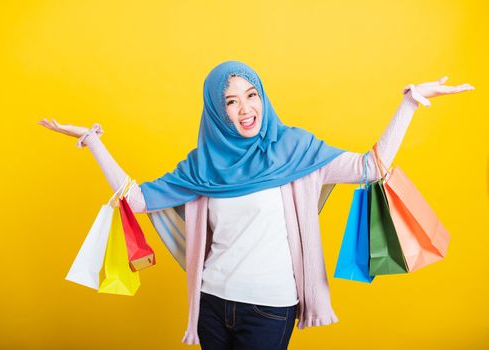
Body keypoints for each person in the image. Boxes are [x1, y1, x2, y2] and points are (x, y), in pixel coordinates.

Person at [38, 61, 474, 349]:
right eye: (230, 101)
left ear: (263, 97)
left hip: (270, 307)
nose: (245, 109)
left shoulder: (295, 152)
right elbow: (136, 198)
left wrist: (409, 104)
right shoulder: (202, 166)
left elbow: (370, 166)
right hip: (210, 304)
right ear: (215, 110)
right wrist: (93, 142)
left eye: (252, 95)